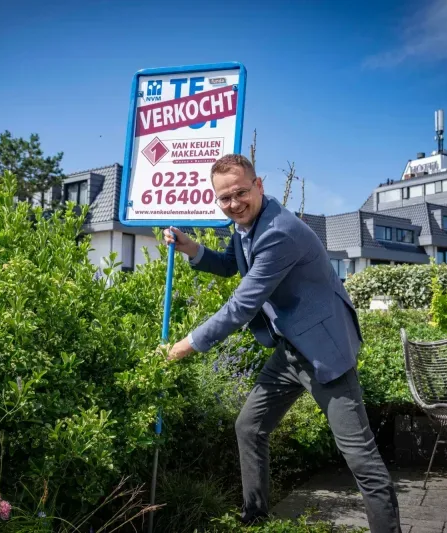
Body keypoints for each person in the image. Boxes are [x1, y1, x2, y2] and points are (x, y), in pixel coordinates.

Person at [161, 154, 401, 531]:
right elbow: (230, 265)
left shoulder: (278, 231)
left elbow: (242, 304)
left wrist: (184, 345)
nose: (233, 203)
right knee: (249, 427)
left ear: (259, 186)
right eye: (224, 198)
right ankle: (255, 520)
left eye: (240, 192)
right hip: (290, 350)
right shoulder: (246, 226)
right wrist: (191, 247)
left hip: (324, 351)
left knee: (361, 460)